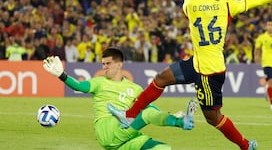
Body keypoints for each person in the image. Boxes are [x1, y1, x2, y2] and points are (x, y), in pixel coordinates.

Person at [123, 0, 272, 150]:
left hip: (207, 73)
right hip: (202, 64)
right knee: (162, 78)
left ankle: (245, 145)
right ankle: (130, 115)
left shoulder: (191, 4)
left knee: (213, 118)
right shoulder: (227, 5)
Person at [43, 47, 196, 150]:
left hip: (125, 138)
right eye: (103, 64)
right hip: (108, 130)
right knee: (145, 115)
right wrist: (62, 75)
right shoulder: (99, 82)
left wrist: (169, 115)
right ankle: (179, 123)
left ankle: (176, 121)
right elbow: (78, 86)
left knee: (164, 149)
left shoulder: (135, 88)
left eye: (108, 63)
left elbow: (149, 108)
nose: (104, 67)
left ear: (119, 64)